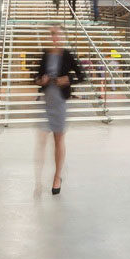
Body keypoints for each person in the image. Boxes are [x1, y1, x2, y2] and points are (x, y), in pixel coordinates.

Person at [34, 27, 85, 195]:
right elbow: (35, 78)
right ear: (51, 37)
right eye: (53, 34)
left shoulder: (68, 54)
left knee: (58, 139)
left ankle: (57, 177)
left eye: (59, 34)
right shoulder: (46, 54)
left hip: (60, 102)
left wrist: (68, 79)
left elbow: (82, 75)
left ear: (63, 37)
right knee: (41, 139)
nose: (56, 37)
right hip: (46, 102)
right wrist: (42, 80)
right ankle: (38, 179)